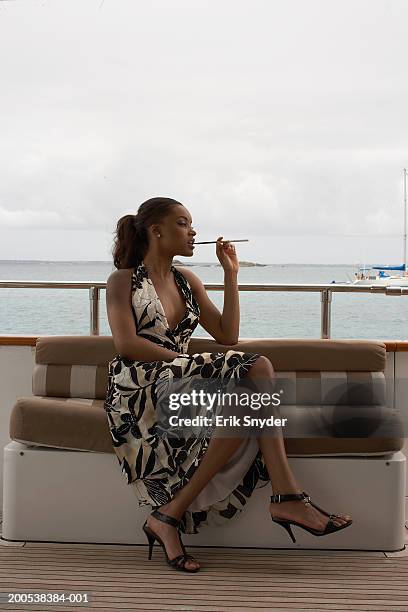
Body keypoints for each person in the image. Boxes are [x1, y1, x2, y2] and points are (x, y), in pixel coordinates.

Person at [104, 196, 352, 573]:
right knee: (259, 366)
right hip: (138, 389)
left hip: (182, 380)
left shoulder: (187, 281)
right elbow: (126, 345)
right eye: (184, 223)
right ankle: (286, 495)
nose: (194, 231)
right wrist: (188, 363)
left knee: (245, 402)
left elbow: (227, 335)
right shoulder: (123, 280)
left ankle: (168, 516)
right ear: (156, 231)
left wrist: (231, 273)